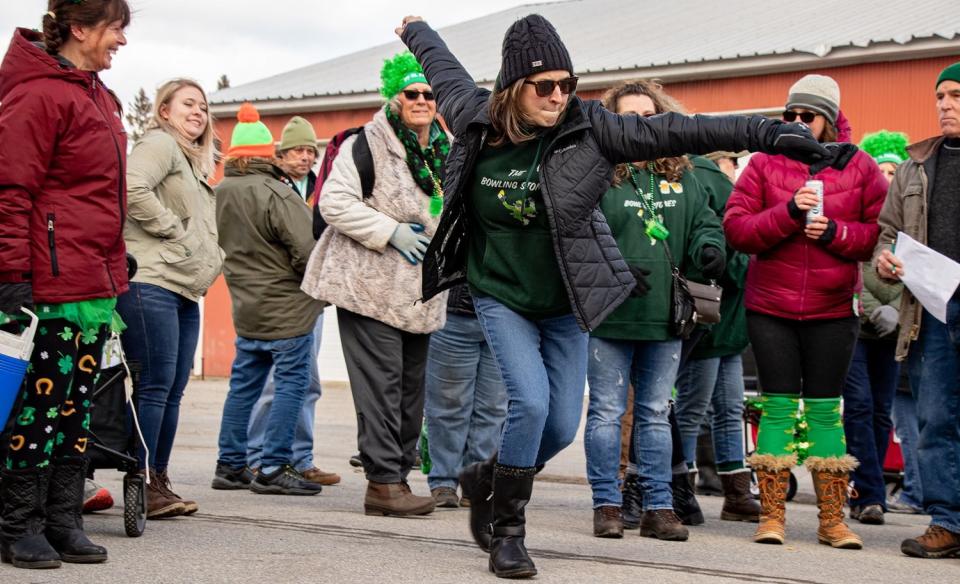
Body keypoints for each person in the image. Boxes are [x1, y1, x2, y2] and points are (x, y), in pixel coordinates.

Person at [398, 13, 825, 578]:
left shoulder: (593, 128)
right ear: (511, 88)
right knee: (528, 402)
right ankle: (509, 532)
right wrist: (416, 31)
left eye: (567, 84)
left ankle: (488, 477)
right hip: (499, 291)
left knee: (559, 426)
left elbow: (682, 131)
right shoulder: (474, 115)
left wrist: (766, 132)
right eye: (544, 86)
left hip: (567, 295)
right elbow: (442, 64)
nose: (558, 96)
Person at [724, 74, 888, 549]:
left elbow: (877, 233)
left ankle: (832, 521)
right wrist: (790, 213)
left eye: (807, 116)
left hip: (833, 308)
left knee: (824, 413)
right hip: (770, 305)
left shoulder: (861, 167)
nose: (796, 123)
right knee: (776, 408)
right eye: (789, 115)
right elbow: (737, 230)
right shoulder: (763, 164)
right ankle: (771, 517)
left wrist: (835, 232)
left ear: (829, 120)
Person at [0, 0, 130, 569]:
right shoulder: (37, 94)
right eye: (114, 29)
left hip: (90, 282)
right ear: (78, 28)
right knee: (36, 410)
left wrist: (116, 267)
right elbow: (9, 190)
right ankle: (16, 524)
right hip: (48, 283)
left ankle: (61, 519)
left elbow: (103, 200)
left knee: (77, 410)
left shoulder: (100, 95)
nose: (120, 41)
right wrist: (11, 276)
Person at [301, 52, 450, 517]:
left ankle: (398, 476)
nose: (421, 100)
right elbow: (334, 203)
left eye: (429, 93)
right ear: (395, 96)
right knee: (381, 387)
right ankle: (383, 485)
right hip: (368, 286)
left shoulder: (443, 150)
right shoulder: (367, 144)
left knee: (410, 389)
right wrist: (391, 231)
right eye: (412, 92)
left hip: (420, 291)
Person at [584, 79, 727, 541]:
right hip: (609, 314)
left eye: (649, 115)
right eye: (629, 117)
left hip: (666, 315)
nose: (641, 125)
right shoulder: (595, 171)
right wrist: (614, 268)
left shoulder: (683, 173)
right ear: (612, 122)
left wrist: (709, 248)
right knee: (606, 412)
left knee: (653, 412)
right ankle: (607, 502)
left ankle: (658, 506)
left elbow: (706, 222)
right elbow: (574, 236)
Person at [119, 78, 221, 519]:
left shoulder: (195, 165)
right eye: (187, 104)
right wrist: (172, 230)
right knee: (155, 387)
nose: (198, 112)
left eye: (203, 107)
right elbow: (130, 187)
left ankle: (158, 479)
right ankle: (140, 479)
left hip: (183, 288)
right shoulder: (159, 145)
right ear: (164, 111)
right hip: (151, 282)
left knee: (173, 390)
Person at [212, 103, 325, 496]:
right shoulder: (276, 192)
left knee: (244, 384)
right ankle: (275, 466)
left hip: (246, 305)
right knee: (292, 383)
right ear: (266, 154)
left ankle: (230, 464)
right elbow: (306, 251)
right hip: (287, 307)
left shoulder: (220, 191)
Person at [876, 61, 960, 558]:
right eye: (941, 96)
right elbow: (888, 232)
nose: (946, 105)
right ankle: (947, 521)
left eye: (956, 95)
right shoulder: (913, 167)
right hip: (932, 311)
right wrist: (884, 260)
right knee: (935, 420)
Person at [246, 116, 339, 488]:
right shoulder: (270, 187)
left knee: (308, 381)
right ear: (281, 154)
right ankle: (258, 456)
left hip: (311, 296)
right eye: (297, 150)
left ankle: (301, 458)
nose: (304, 157)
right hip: (278, 296)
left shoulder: (323, 188)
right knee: (274, 380)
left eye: (309, 151)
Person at [674, 150, 761, 524]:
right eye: (735, 160)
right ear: (722, 158)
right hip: (718, 317)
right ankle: (690, 490)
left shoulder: (699, 176)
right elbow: (727, 247)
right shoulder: (712, 179)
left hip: (720, 318)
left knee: (715, 408)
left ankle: (728, 491)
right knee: (708, 409)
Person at [840, 130, 910, 525]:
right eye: (881, 169)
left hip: (895, 328)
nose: (887, 176)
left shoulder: (909, 222)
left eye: (893, 170)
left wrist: (899, 310)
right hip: (858, 329)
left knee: (883, 411)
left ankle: (873, 488)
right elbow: (854, 269)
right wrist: (874, 310)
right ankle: (865, 493)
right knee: (860, 406)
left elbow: (916, 268)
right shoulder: (860, 214)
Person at [425, 284, 506, 508]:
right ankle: (443, 481)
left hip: (506, 316)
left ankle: (477, 483)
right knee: (448, 405)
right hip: (453, 313)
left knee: (494, 408)